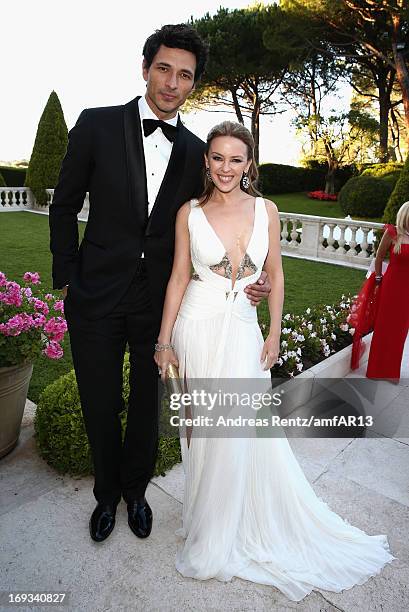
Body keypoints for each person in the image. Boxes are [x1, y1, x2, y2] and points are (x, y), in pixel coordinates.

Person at [155, 121, 395, 602]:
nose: (226, 168)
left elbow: (276, 274)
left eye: (236, 159)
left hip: (244, 328)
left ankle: (238, 518)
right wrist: (164, 342)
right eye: (218, 158)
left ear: (249, 164)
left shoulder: (267, 209)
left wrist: (275, 329)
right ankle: (209, 523)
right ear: (207, 161)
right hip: (198, 326)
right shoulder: (189, 213)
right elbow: (179, 278)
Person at [49, 24, 270, 544]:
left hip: (162, 305)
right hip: (95, 296)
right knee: (99, 400)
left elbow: (222, 221)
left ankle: (136, 492)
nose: (172, 82)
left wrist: (249, 280)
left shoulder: (199, 151)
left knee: (150, 405)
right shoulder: (96, 125)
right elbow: (63, 206)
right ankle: (106, 494)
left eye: (185, 75)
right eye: (164, 68)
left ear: (195, 84)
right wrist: (66, 278)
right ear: (146, 67)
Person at [365, 201, 409, 380]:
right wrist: (377, 277)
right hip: (391, 286)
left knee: (400, 331)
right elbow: (379, 257)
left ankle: (391, 373)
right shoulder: (392, 233)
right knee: (383, 328)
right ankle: (375, 371)